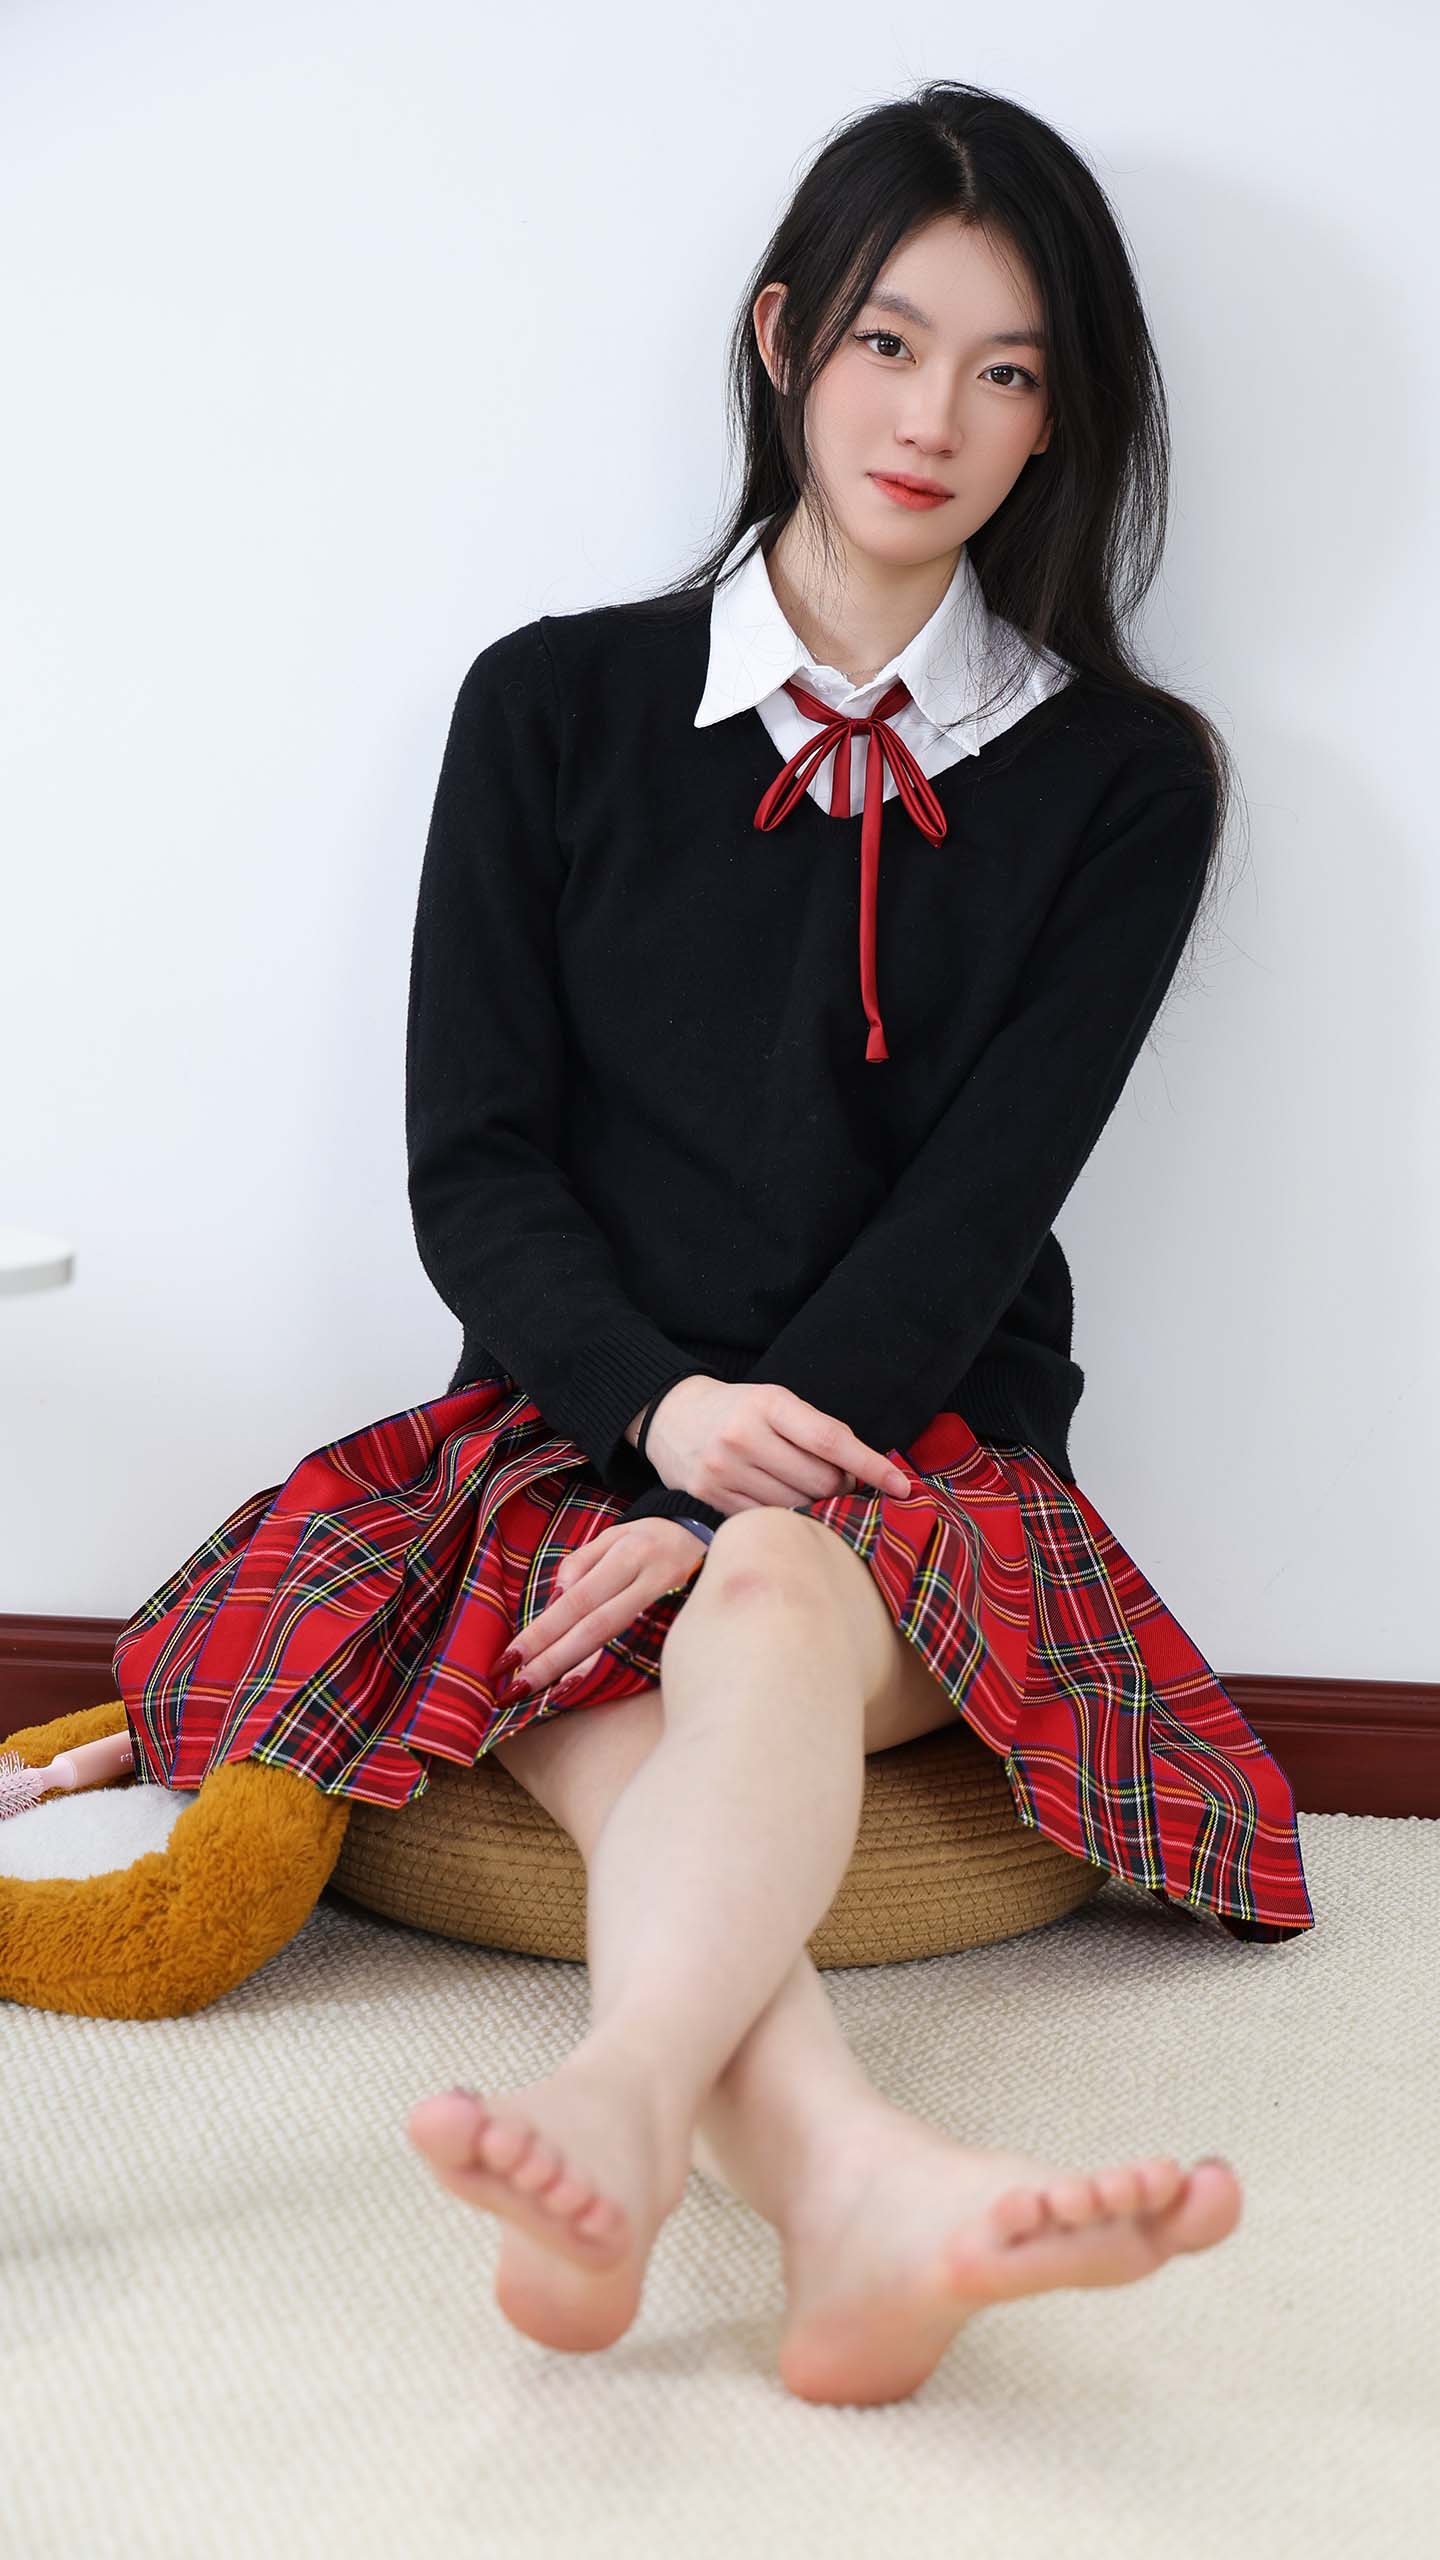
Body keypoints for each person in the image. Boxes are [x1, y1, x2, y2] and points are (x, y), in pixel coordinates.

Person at [113, 78, 1314, 2407]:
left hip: (916, 1443)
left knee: (751, 1590)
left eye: (1008, 370)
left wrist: (729, 1492)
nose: (934, 418)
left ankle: (625, 2103)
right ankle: (846, 2183)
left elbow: (981, 1207)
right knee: (632, 1675)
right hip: (569, 1423)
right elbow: (473, 1164)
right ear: (783, 342)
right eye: (888, 341)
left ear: (1059, 420)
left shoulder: (1125, 780)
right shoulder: (549, 705)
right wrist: (654, 1425)